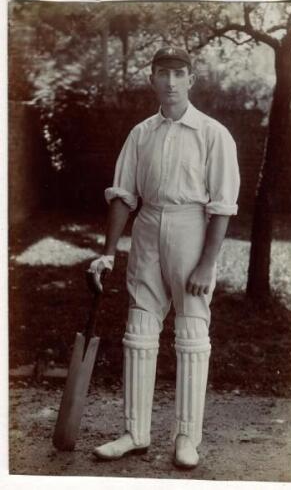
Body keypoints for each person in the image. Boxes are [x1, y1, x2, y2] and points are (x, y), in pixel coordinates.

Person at [88, 46, 240, 469]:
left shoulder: (213, 134)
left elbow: (222, 207)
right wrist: (108, 253)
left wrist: (207, 263)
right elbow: (123, 196)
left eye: (178, 73)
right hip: (148, 226)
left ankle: (187, 438)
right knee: (139, 329)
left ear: (191, 78)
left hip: (192, 227)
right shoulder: (141, 134)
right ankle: (135, 432)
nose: (170, 82)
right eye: (162, 73)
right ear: (151, 78)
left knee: (192, 335)